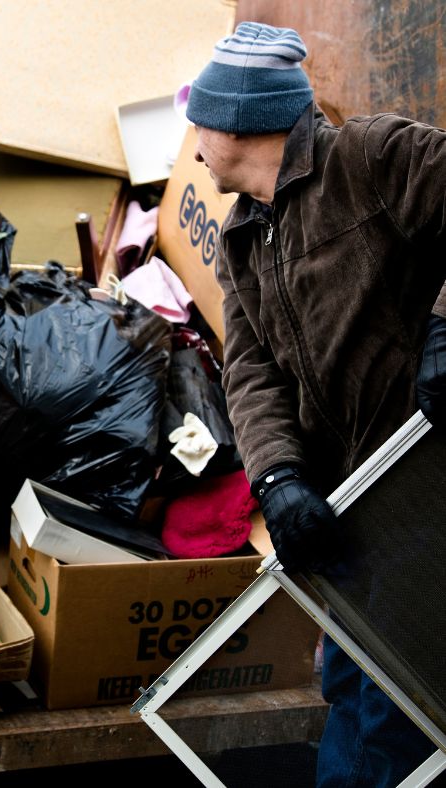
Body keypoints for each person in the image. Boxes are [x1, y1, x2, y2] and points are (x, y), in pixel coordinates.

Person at [184, 21, 446, 787]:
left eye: (198, 119)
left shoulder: (370, 156)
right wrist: (279, 481)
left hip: (422, 489)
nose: (192, 141)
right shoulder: (239, 240)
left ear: (235, 120)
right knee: (351, 686)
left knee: (389, 720)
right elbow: (253, 373)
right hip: (347, 509)